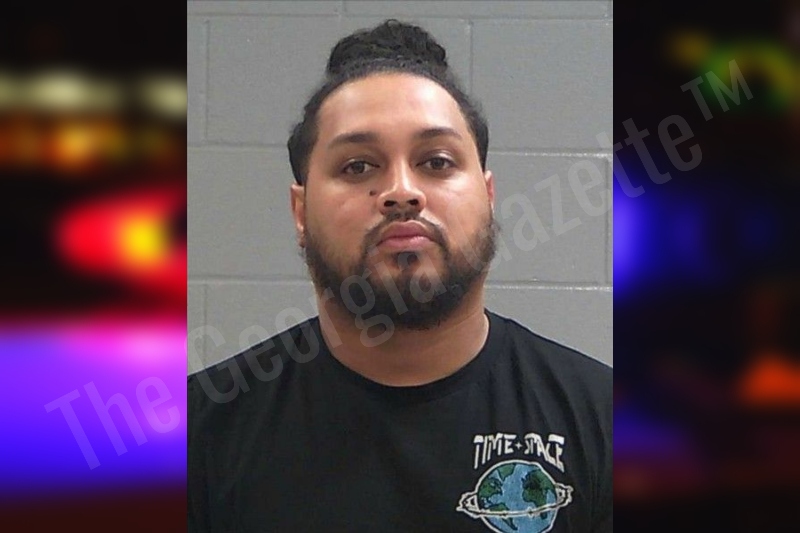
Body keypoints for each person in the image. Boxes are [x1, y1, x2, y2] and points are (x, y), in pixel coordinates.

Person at [188, 19, 612, 532]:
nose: (402, 192)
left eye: (437, 161)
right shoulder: (198, 434)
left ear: (488, 196)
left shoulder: (605, 421)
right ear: (301, 212)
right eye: (357, 166)